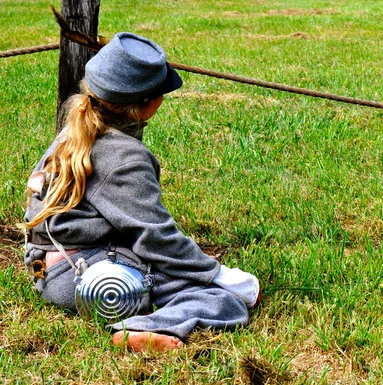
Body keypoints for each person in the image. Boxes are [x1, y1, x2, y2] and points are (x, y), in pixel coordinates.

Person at [22, 32, 260, 352]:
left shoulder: (78, 126)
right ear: (148, 104)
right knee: (220, 300)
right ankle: (139, 329)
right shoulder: (124, 157)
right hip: (86, 279)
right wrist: (217, 274)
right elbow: (157, 239)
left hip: (45, 268)